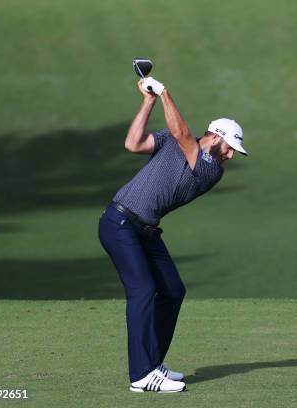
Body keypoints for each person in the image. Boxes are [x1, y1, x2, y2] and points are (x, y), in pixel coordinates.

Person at [98, 76, 247, 393]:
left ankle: (153, 364)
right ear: (216, 137)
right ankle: (141, 375)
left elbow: (182, 135)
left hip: (145, 230)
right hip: (119, 223)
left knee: (173, 291)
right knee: (142, 291)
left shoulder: (210, 169)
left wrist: (164, 92)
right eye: (231, 147)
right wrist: (149, 100)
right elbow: (133, 144)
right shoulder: (174, 141)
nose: (231, 156)